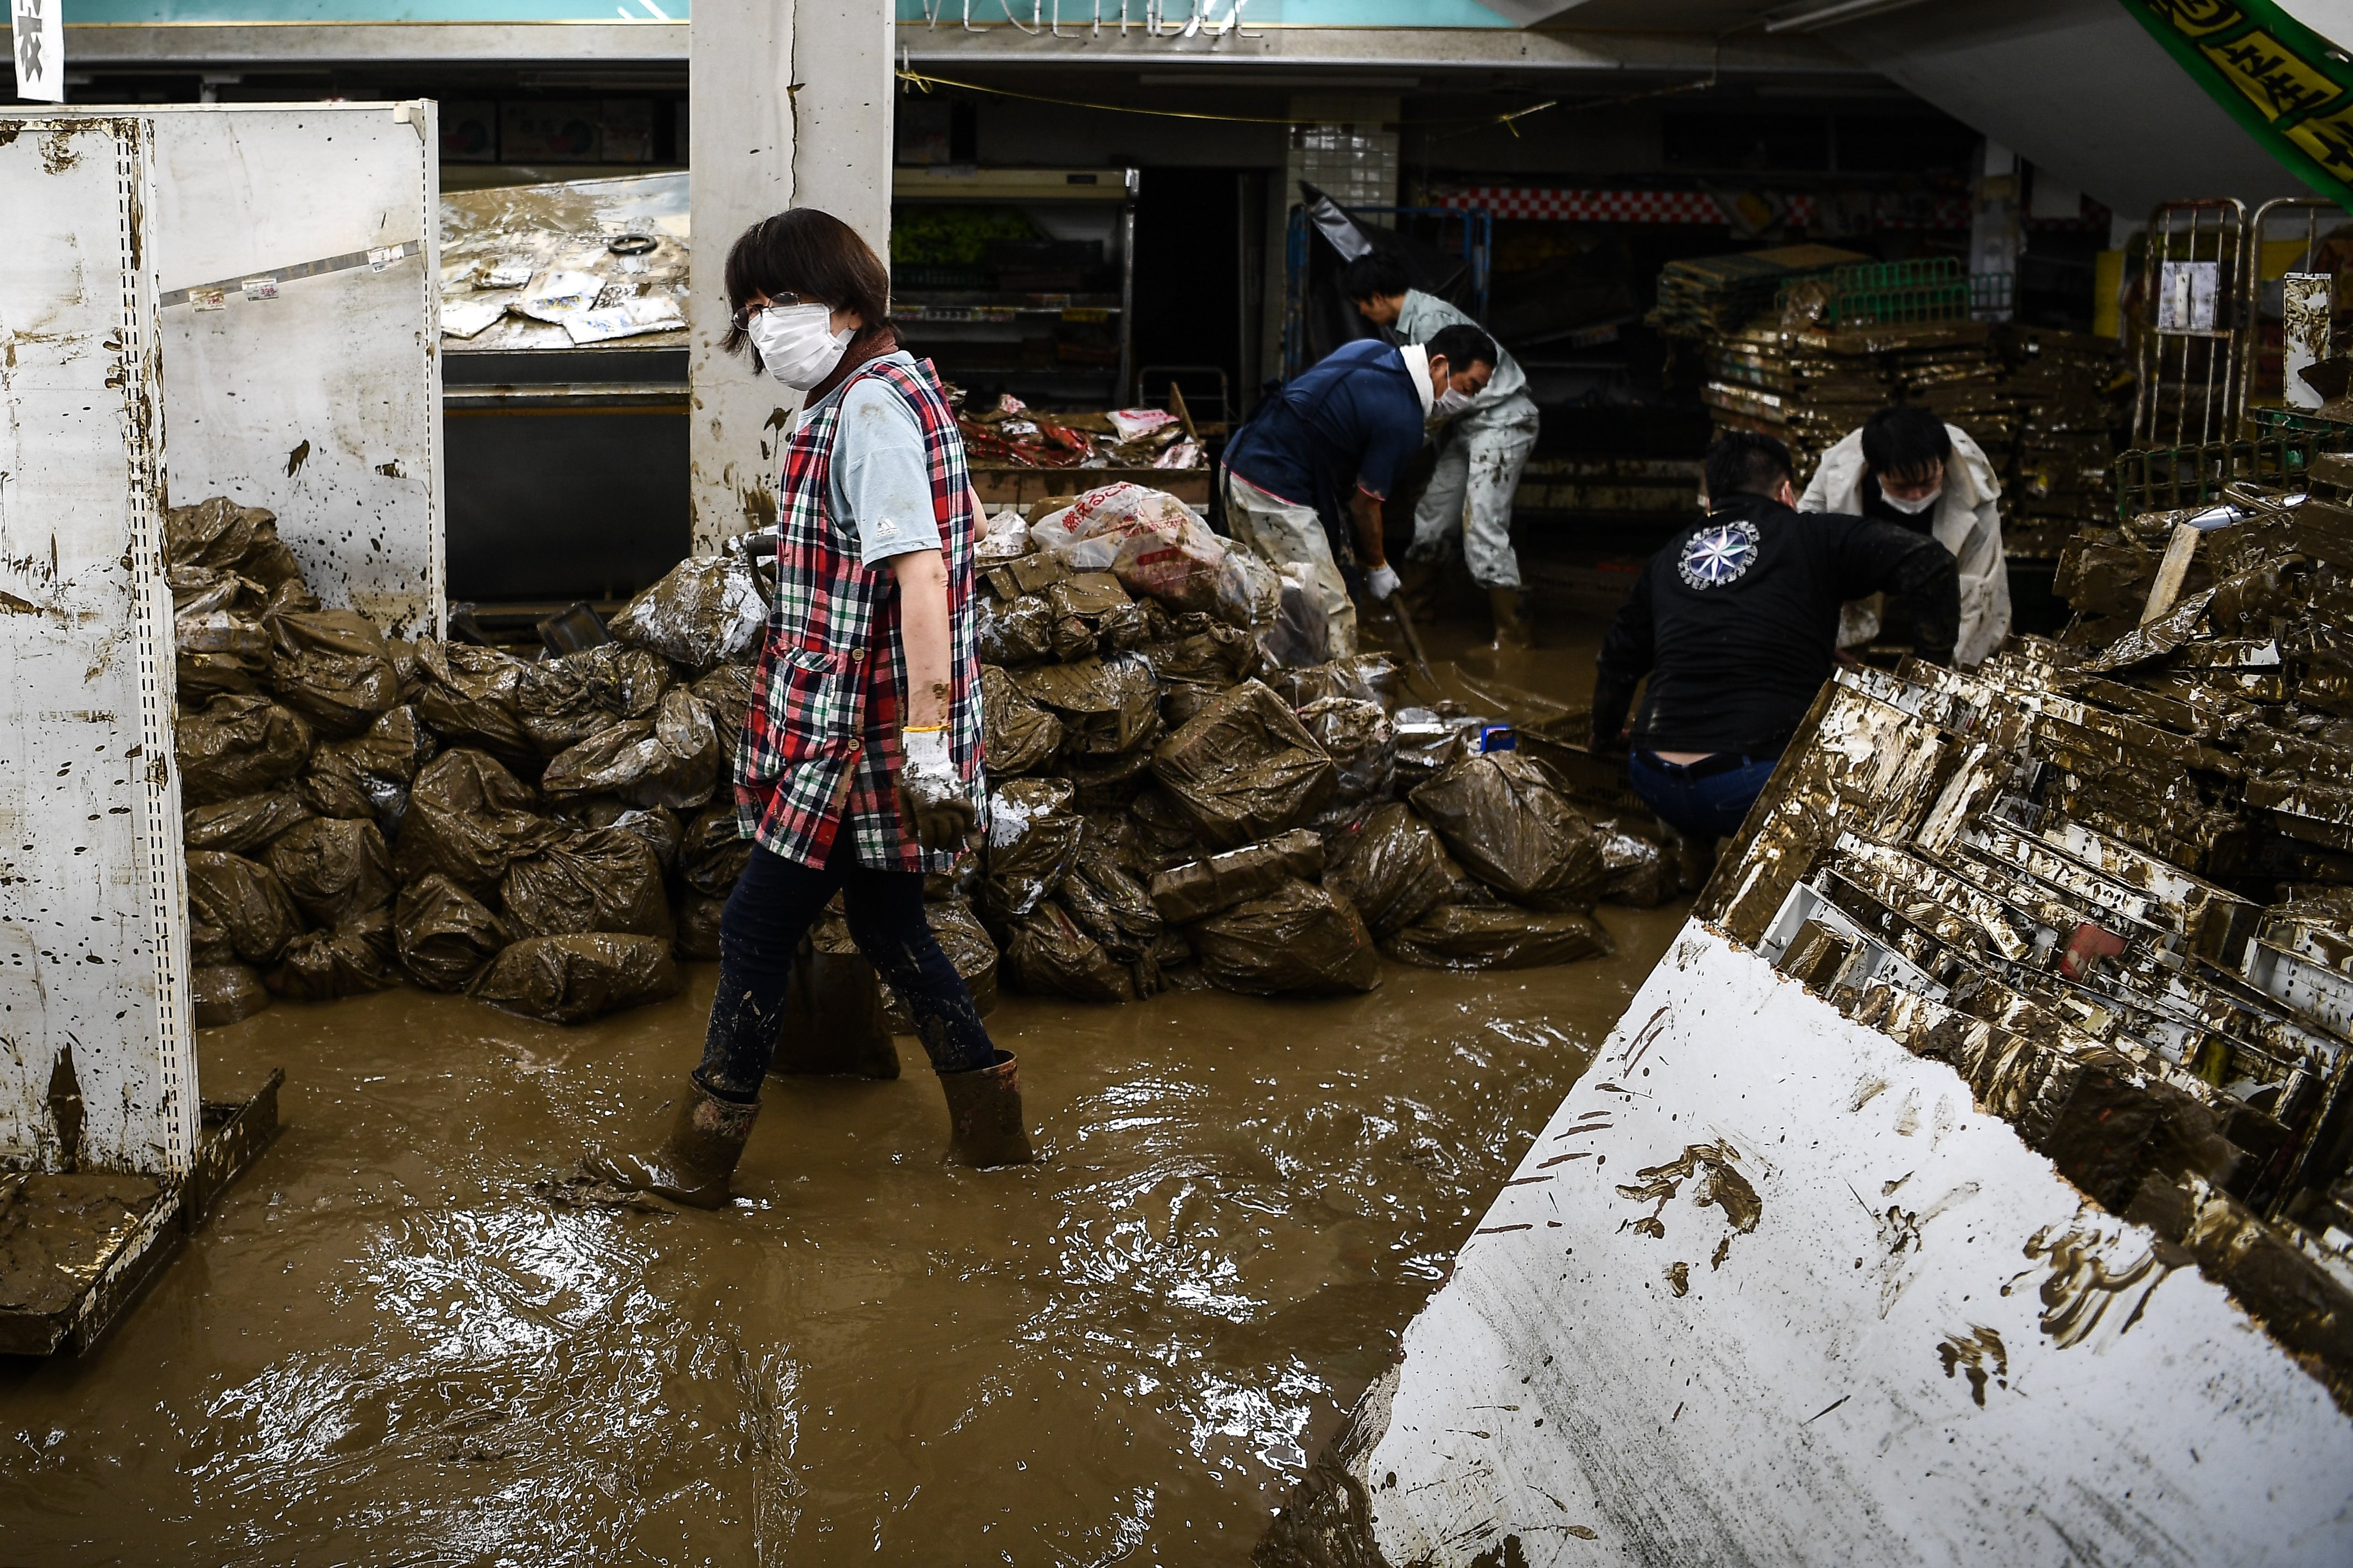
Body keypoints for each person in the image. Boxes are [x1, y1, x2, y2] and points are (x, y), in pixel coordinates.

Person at [590, 208, 1027, 1210]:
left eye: (778, 299)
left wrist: (925, 748)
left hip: (858, 731)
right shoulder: (901, 387)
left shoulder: (867, 411)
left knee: (754, 926)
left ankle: (697, 1163)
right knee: (888, 926)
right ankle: (994, 1137)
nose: (766, 323)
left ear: (843, 298)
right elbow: (928, 550)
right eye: (750, 309)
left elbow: (921, 579)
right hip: (868, 717)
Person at [1591, 430, 1960, 846]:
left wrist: (1604, 738)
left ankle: (1691, 866)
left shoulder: (1668, 557)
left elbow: (1617, 660)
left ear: (1711, 499)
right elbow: (1932, 563)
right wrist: (1929, 682)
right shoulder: (1814, 535)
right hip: (1749, 786)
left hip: (1652, 776)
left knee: (1697, 780)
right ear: (1787, 491)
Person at [1220, 322, 1496, 659]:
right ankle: (1342, 705)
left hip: (1241, 458)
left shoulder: (1370, 349)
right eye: (1468, 388)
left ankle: (1275, 682)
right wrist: (1378, 566)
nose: (1464, 401)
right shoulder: (1403, 419)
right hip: (1270, 487)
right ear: (1438, 365)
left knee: (1275, 594)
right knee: (1329, 609)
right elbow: (1365, 505)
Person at [1339, 253, 1543, 649]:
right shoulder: (1408, 323)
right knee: (1433, 514)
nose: (1363, 313)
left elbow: (1438, 397)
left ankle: (1513, 637)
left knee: (1482, 525)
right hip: (1471, 425)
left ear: (1378, 297)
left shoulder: (1430, 322)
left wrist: (1390, 448)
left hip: (1503, 419)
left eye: (1363, 304)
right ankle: (1415, 611)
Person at [1798, 402, 2011, 666]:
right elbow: (1806, 560)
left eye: (1926, 483)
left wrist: (1945, 678)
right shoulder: (1836, 479)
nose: (1916, 496)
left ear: (1943, 465)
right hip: (1864, 570)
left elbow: (1976, 591)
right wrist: (1822, 645)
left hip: (1945, 579)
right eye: (1901, 486)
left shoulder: (1975, 494)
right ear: (1877, 472)